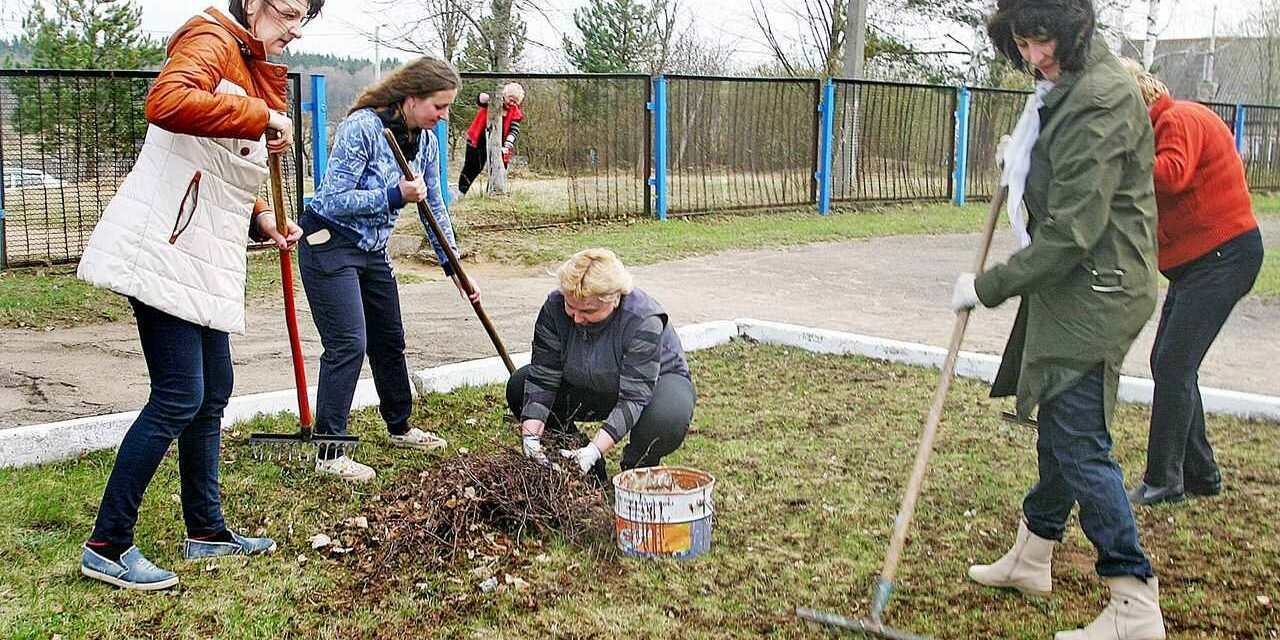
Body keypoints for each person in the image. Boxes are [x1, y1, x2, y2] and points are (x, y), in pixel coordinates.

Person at [74, 0, 322, 590]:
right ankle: (107, 544)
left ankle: (206, 531)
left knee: (213, 393)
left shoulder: (246, 59)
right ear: (256, 2)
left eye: (304, 19)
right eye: (288, 12)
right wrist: (259, 114)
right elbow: (166, 102)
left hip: (200, 251)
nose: (294, 28)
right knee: (179, 396)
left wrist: (262, 217)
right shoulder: (211, 39)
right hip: (164, 246)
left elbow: (217, 167)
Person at [950, 1, 1167, 638]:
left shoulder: (1100, 96)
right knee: (1060, 421)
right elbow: (1056, 171)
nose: (1033, 57)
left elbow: (1074, 228)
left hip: (1097, 288)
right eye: (1021, 42)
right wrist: (1018, 163)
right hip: (1076, 284)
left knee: (1079, 438)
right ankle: (1032, 554)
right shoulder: (1066, 85)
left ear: (1071, 32)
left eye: (1043, 41)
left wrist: (986, 287)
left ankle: (1133, 600)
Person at [299, 58, 477, 483]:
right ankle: (330, 452)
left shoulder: (427, 142)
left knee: (388, 339)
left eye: (448, 107)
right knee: (348, 343)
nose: (444, 115)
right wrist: (394, 194)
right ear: (412, 99)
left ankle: (399, 427)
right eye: (439, 105)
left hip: (372, 250)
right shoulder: (363, 127)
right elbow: (332, 199)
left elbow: (434, 205)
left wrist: (452, 265)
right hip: (329, 244)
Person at [1122, 63, 1265, 506]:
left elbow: (1172, 173)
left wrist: (1117, 156)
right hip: (1202, 264)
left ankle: (1163, 481)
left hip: (1223, 257)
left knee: (1174, 364)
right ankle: (1201, 473)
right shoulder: (1162, 126)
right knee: (1169, 361)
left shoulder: (1177, 118)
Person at [506, 248, 694, 482]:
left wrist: (596, 449)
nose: (576, 318)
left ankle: (636, 467)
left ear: (615, 298)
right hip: (590, 383)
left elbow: (634, 397)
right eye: (571, 307)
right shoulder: (554, 308)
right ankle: (577, 459)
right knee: (519, 386)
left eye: (588, 310)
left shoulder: (643, 319)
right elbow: (543, 375)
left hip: (654, 387)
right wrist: (531, 439)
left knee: (667, 417)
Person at [456, 82, 525, 195]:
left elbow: (514, 130)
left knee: (500, 169)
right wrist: (488, 97)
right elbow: (480, 99)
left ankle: (495, 192)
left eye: (515, 102)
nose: (511, 103)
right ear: (504, 95)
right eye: (510, 99)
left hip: (501, 145)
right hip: (478, 140)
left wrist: (508, 144)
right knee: (472, 168)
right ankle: (460, 192)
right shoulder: (493, 102)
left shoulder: (515, 113)